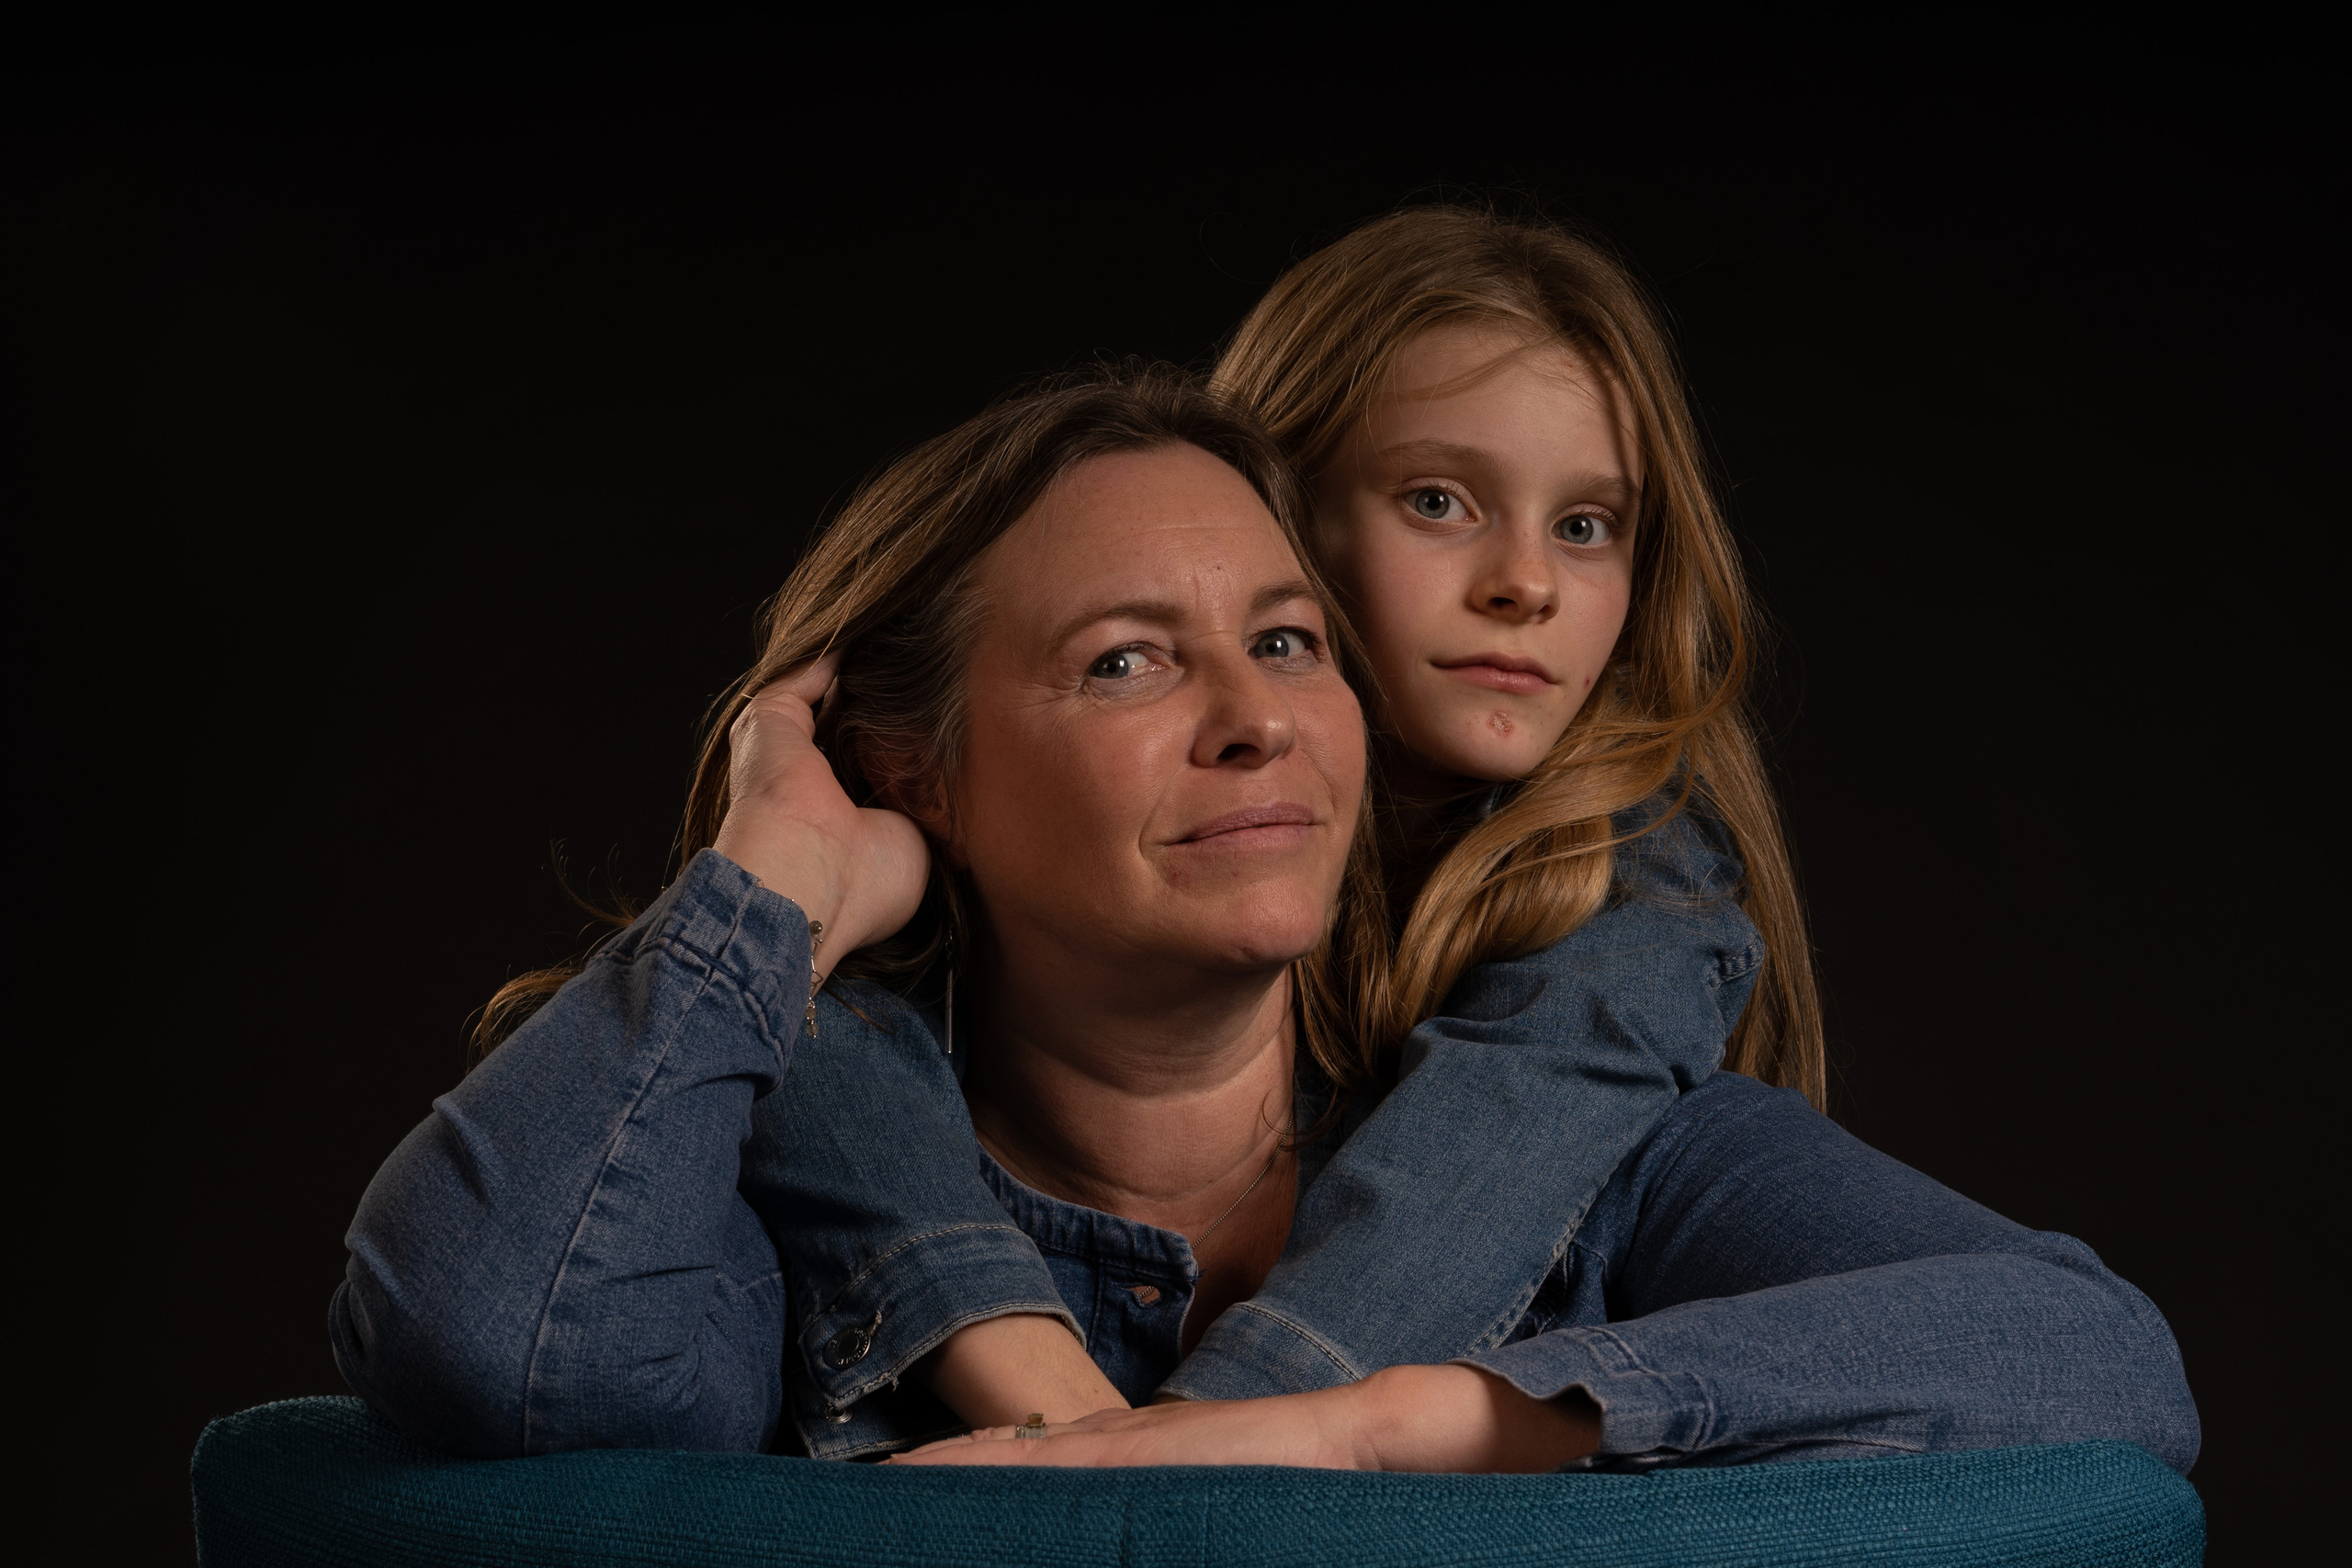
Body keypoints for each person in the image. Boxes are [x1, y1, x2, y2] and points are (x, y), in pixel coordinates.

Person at [332, 366, 2196, 1474]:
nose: (1252, 716)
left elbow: (2095, 1365)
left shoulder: (1604, 1164)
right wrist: (770, 887)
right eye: (1126, 657)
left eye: (1288, 641)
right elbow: (492, 1335)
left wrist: (1386, 1423)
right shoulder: (774, 1206)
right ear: (919, 772)